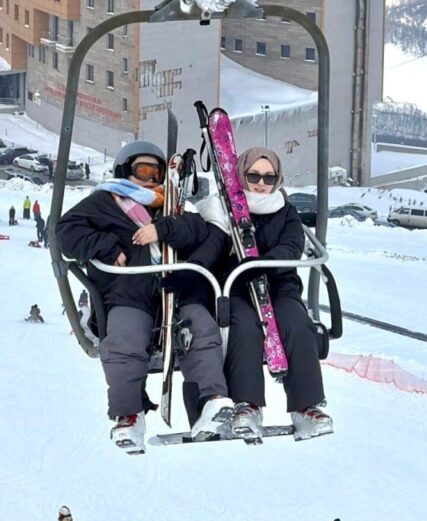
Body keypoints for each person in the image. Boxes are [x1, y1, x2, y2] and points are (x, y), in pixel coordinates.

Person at [55, 140, 234, 454]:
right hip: (128, 293)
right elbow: (66, 231)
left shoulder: (171, 205)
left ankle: (212, 402)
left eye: (157, 171)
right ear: (126, 170)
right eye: (143, 169)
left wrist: (163, 229)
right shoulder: (105, 201)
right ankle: (129, 415)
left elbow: (197, 231)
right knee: (123, 340)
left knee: (201, 328)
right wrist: (106, 247)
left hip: (174, 292)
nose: (151, 177)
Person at [209, 147, 332, 442]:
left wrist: (262, 264)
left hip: (279, 287)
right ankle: (247, 405)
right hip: (237, 288)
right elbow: (212, 244)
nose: (261, 183)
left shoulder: (286, 211)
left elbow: (291, 247)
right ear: (241, 175)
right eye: (253, 176)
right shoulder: (225, 210)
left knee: (296, 323)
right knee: (243, 326)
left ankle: (306, 407)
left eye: (268, 177)